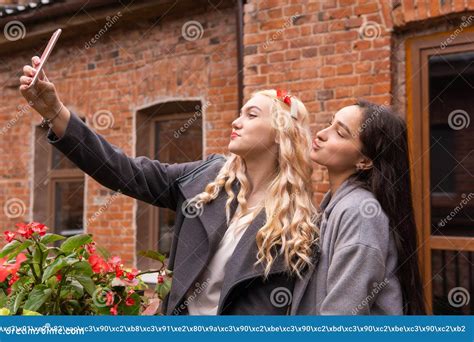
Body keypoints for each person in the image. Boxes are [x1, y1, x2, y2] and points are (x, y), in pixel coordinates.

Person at [19, 56, 319, 315]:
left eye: (251, 115)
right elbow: (123, 171)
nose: (236, 122)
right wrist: (55, 111)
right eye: (239, 113)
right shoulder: (207, 178)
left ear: (281, 134)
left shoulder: (297, 221)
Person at [300, 100, 426, 315]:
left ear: (365, 161)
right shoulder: (336, 206)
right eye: (330, 124)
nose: (321, 133)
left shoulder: (360, 212)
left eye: (340, 133)